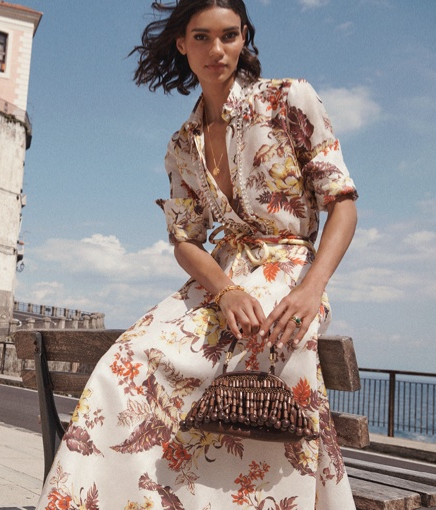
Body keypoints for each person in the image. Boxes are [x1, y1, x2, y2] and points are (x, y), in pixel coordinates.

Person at [37, 1, 358, 509]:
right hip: (220, 277)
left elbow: (342, 203)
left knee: (261, 346)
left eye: (229, 36)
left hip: (289, 270)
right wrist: (225, 289)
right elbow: (185, 239)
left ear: (245, 37)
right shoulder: (181, 143)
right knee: (123, 365)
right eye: (202, 37)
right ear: (183, 43)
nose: (217, 50)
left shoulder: (289, 99)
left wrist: (310, 290)